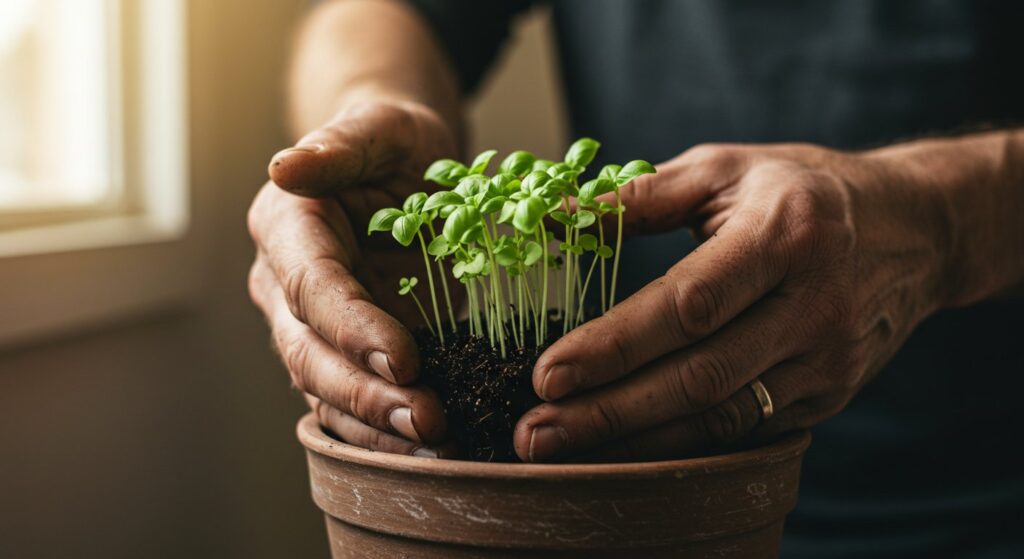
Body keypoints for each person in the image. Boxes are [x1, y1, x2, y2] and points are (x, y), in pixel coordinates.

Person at [246, 1, 1024, 556]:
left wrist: (944, 222)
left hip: (984, 507)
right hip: (618, 493)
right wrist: (366, 109)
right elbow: (381, 13)